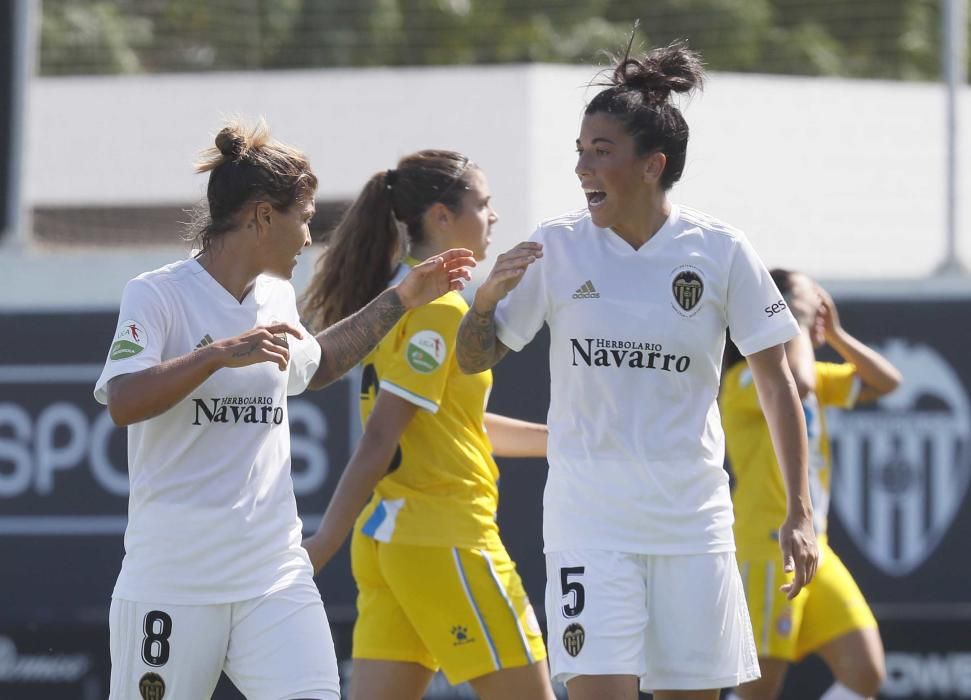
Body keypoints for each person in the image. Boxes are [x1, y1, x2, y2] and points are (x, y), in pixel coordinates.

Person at [454, 41, 821, 700]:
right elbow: (474, 358)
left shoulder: (719, 250)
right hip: (587, 524)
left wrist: (801, 512)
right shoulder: (557, 246)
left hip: (692, 525)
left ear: (651, 166)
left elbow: (777, 384)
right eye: (579, 149)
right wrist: (482, 303)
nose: (580, 167)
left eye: (600, 151)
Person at [93, 122, 474, 700]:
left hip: (273, 576)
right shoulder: (157, 294)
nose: (308, 236)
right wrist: (217, 356)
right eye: (304, 218)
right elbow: (122, 400)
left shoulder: (274, 296)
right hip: (173, 581)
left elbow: (316, 366)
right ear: (263, 217)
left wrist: (401, 299)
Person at [301, 150, 555, 700]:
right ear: (442, 217)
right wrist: (325, 537)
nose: (494, 217)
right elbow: (380, 438)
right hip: (446, 537)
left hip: (391, 542)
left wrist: (565, 443)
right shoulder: (440, 308)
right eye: (483, 204)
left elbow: (453, 424)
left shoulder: (399, 301)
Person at [721, 269, 901, 700]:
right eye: (806, 298)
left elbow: (887, 382)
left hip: (815, 546)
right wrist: (794, 324)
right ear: (778, 308)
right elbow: (794, 383)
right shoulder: (744, 379)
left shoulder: (813, 372)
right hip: (768, 547)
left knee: (865, 672)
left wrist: (835, 335)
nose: (817, 304)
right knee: (757, 690)